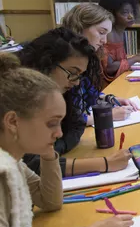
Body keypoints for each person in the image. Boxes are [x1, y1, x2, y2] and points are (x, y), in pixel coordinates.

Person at [0, 54, 134, 227]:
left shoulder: (13, 159)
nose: (60, 133)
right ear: (13, 122)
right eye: (51, 124)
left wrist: (48, 151)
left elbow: (50, 200)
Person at [18, 29, 132, 176]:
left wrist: (55, 149)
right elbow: (31, 164)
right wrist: (105, 163)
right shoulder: (19, 97)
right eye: (73, 73)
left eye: (80, 75)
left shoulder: (60, 92)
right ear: (47, 62)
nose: (77, 82)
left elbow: (75, 128)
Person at [60, 3, 137, 124]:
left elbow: (87, 91)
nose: (104, 41)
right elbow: (67, 119)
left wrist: (110, 99)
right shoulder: (63, 61)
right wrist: (108, 115)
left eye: (107, 34)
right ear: (80, 28)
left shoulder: (86, 56)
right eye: (101, 32)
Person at [98, 0, 140, 84]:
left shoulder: (120, 31)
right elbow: (109, 68)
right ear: (111, 13)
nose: (131, 16)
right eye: (125, 12)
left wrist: (139, 57)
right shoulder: (107, 34)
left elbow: (120, 59)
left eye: (132, 12)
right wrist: (135, 59)